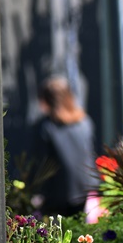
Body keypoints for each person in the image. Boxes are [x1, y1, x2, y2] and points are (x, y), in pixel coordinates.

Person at [33, 76, 98, 217]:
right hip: (84, 188)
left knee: (58, 235)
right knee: (81, 233)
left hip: (57, 194)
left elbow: (43, 165)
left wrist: (38, 192)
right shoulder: (84, 122)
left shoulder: (46, 127)